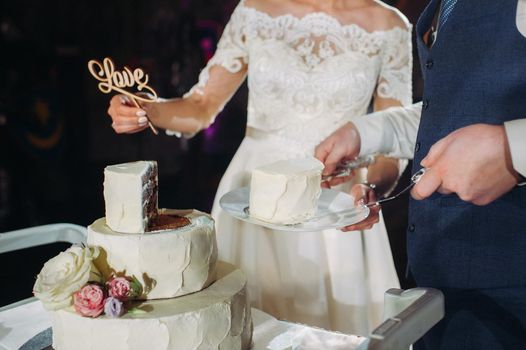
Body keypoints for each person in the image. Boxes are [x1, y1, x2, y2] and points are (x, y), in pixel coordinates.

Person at [107, 0, 413, 334]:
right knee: (245, 326)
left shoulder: (389, 25)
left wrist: (372, 189)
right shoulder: (256, 9)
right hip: (251, 197)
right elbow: (200, 107)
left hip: (335, 203)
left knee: (335, 332)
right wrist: (146, 109)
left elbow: (392, 143)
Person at [315, 0, 526, 348]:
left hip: (510, 293)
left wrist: (511, 150)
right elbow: (454, 108)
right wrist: (365, 133)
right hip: (439, 284)